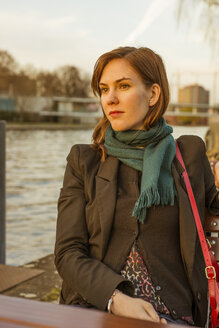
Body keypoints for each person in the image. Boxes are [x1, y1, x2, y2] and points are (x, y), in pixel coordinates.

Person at [54, 46, 219, 327]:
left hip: (172, 315)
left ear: (153, 94)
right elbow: (67, 253)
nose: (111, 98)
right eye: (104, 89)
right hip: (97, 309)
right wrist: (115, 298)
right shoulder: (84, 161)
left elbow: (213, 206)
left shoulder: (188, 153)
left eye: (124, 86)